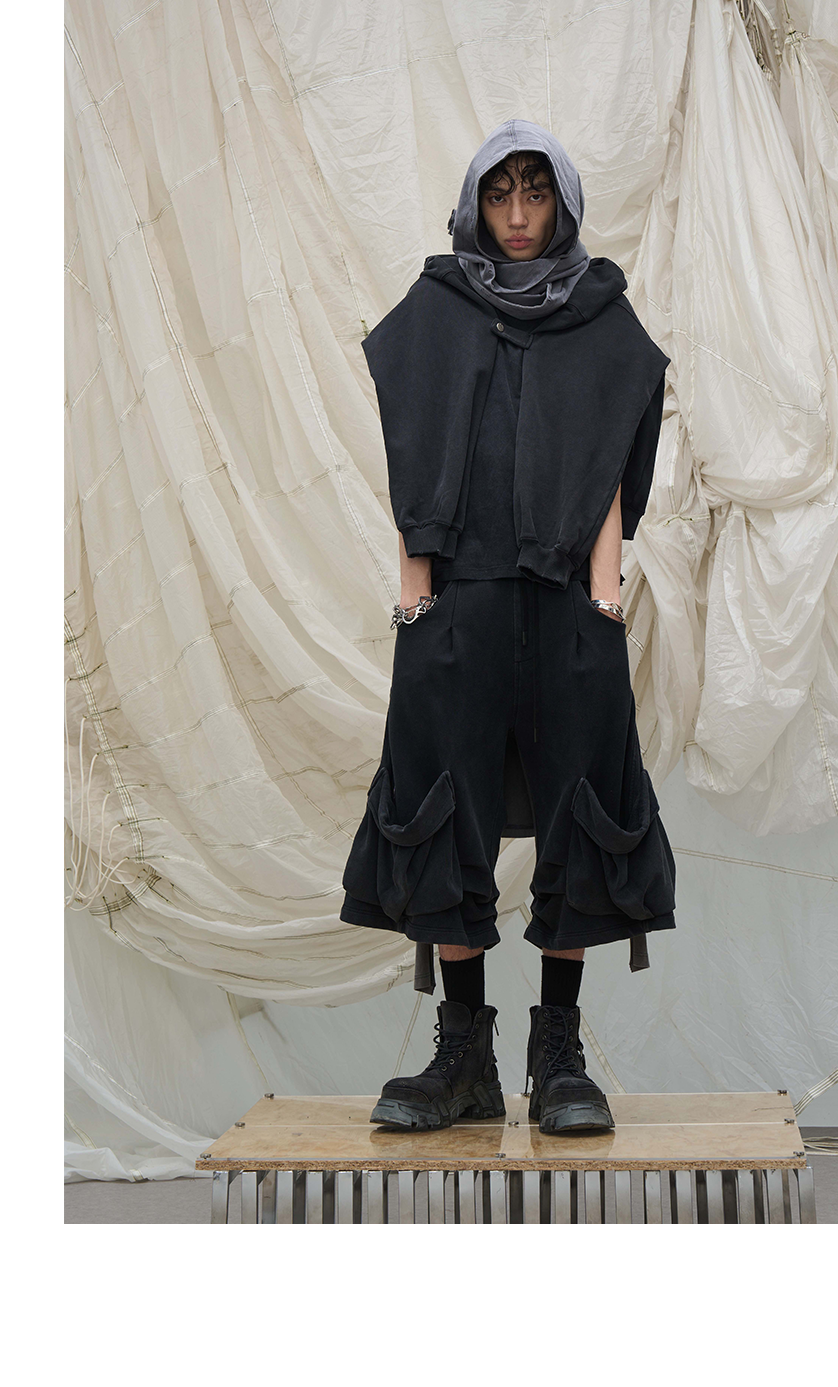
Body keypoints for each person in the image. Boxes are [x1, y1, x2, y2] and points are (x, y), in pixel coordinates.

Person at [341, 119, 677, 1134]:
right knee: (443, 807)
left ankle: (558, 1055)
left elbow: (612, 453)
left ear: (562, 204)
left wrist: (606, 593)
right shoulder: (440, 306)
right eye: (501, 195)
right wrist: (416, 594)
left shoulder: (598, 311)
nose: (519, 217)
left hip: (570, 599)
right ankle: (463, 1059)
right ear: (475, 204)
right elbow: (411, 444)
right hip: (460, 599)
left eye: (536, 195)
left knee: (583, 801)